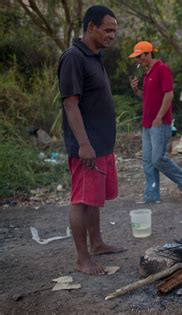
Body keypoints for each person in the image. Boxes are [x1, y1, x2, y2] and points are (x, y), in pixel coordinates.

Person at [58, 5, 125, 275]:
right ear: (91, 28)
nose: (112, 35)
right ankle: (82, 259)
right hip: (86, 146)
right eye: (107, 30)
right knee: (82, 200)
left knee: (95, 198)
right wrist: (84, 144)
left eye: (114, 31)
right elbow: (71, 104)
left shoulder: (95, 56)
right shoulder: (73, 57)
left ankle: (97, 243)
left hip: (101, 144)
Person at [128, 41, 182, 203]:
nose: (137, 60)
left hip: (160, 123)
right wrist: (136, 91)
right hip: (147, 124)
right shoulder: (147, 73)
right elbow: (147, 98)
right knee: (148, 162)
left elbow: (169, 95)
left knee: (157, 158)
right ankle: (151, 196)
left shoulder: (162, 69)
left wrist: (159, 117)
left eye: (139, 57)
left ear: (148, 54)